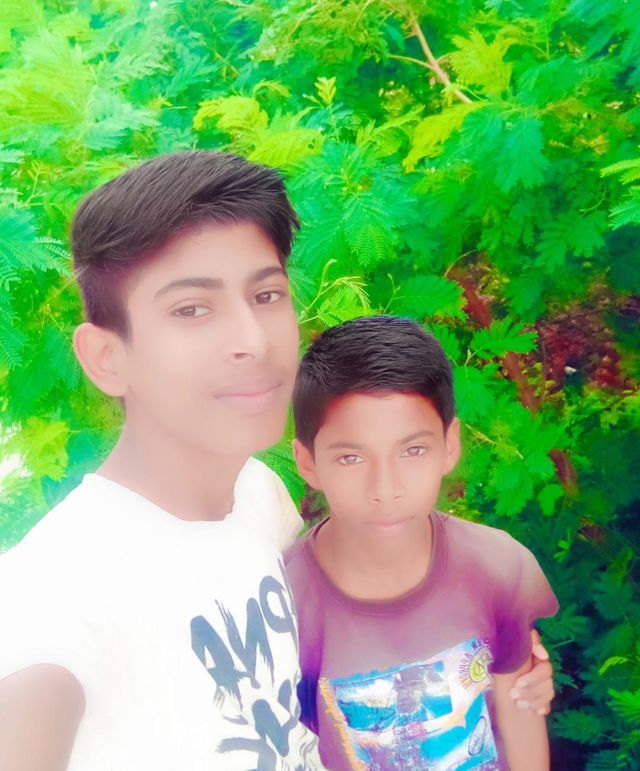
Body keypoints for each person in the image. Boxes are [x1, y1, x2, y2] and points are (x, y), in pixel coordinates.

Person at [0, 152, 553, 771]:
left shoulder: (258, 494)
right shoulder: (52, 593)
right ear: (107, 358)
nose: (253, 340)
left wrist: (503, 665)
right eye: (191, 308)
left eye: (266, 294)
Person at [286, 315, 560, 771]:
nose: (386, 489)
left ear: (449, 445)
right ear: (308, 462)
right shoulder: (283, 606)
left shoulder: (498, 566)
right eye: (351, 457)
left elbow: (522, 710)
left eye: (413, 450)